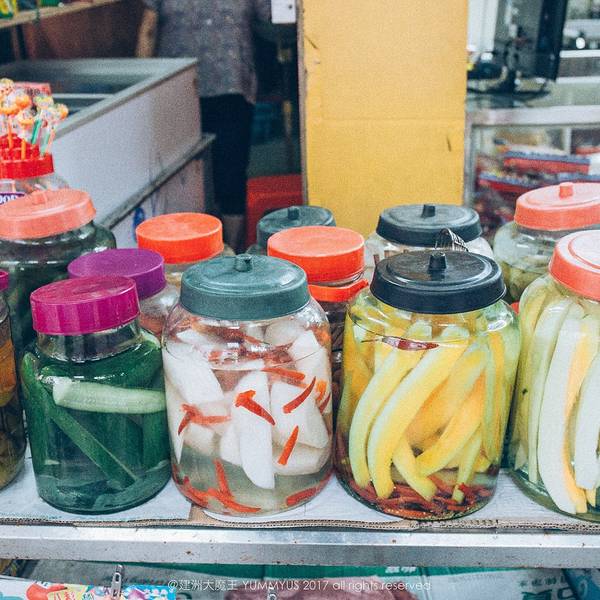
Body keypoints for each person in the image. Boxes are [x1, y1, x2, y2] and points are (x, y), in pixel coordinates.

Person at [136, 0, 271, 251]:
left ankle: (229, 252)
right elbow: (148, 30)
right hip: (179, 87)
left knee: (229, 172)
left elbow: (274, 15)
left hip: (228, 87)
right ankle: (188, 250)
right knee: (181, 173)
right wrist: (142, 87)